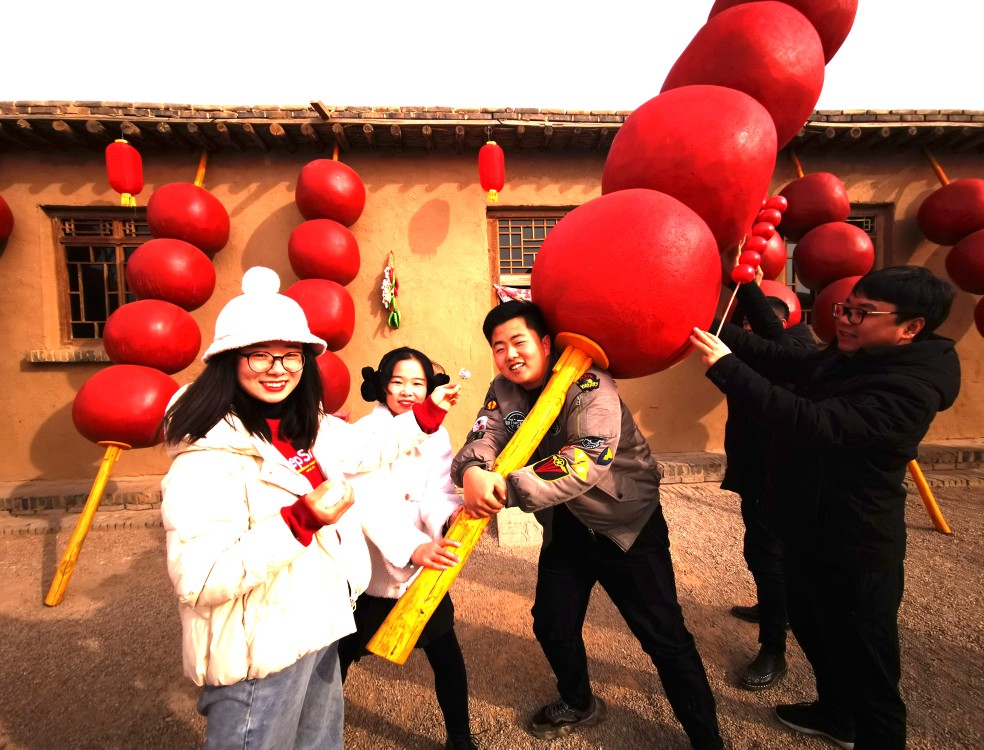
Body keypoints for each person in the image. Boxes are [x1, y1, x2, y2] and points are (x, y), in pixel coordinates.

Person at [159, 267, 460, 750]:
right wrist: (302, 520)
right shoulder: (208, 456)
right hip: (260, 650)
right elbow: (201, 577)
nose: (278, 368)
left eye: (290, 355)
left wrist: (427, 414)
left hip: (320, 626)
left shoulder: (308, 428)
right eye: (260, 355)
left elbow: (365, 446)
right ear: (228, 361)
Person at [690, 266, 961, 750]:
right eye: (844, 308)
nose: (846, 320)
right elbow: (782, 358)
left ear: (911, 327)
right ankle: (836, 716)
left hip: (854, 545)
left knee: (869, 672)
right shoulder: (854, 354)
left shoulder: (910, 387)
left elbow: (811, 421)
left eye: (862, 313)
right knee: (817, 633)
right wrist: (700, 321)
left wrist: (726, 368)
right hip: (807, 528)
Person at [454, 300, 724, 749]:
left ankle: (706, 738)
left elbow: (586, 456)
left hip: (627, 526)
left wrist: (506, 487)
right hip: (567, 527)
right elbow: (485, 435)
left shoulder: (591, 382)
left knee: (665, 639)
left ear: (543, 343)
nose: (510, 355)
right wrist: (472, 471)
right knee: (552, 623)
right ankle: (578, 701)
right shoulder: (503, 389)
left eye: (519, 342)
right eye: (498, 347)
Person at [338, 347, 477, 750]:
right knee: (339, 654)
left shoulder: (438, 434)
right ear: (382, 386)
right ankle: (317, 730)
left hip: (422, 567)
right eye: (398, 381)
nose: (408, 391)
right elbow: (366, 502)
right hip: (373, 569)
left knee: (445, 650)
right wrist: (412, 547)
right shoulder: (365, 432)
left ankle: (460, 738)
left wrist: (446, 521)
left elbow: (438, 490)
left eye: (417, 383)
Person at [722, 280, 815, 691]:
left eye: (765, 324)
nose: (755, 335)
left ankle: (773, 649)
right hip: (753, 472)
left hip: (780, 476)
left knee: (768, 556)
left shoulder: (800, 350)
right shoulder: (747, 356)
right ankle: (773, 609)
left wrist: (744, 288)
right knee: (759, 553)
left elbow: (775, 345)